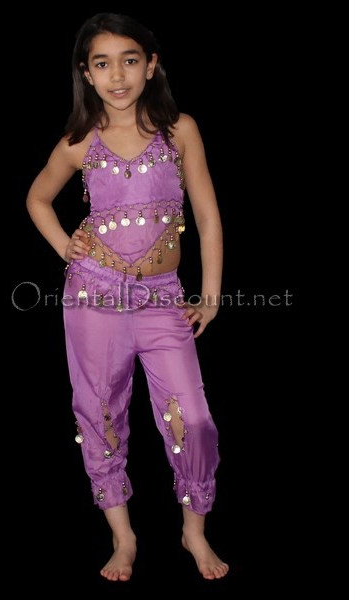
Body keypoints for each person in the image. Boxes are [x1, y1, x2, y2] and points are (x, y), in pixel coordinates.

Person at [25, 12, 228, 581]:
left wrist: (211, 295)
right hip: (94, 296)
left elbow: (208, 217)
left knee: (193, 416)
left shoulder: (179, 130)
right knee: (100, 410)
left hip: (163, 298)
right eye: (103, 63)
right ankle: (123, 535)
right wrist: (67, 248)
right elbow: (37, 198)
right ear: (86, 74)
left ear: (151, 65)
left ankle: (193, 531)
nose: (117, 75)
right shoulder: (80, 142)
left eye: (130, 60)